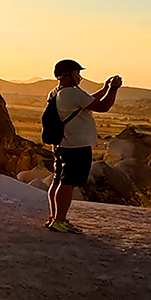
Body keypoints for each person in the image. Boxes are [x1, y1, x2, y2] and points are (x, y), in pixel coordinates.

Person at [46, 59, 122, 234]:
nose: (79, 76)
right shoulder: (72, 93)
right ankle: (60, 220)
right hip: (76, 146)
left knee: (58, 180)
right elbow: (103, 106)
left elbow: (87, 101)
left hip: (62, 144)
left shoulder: (57, 92)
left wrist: (104, 88)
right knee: (68, 182)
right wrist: (113, 89)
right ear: (67, 75)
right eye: (76, 73)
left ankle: (54, 217)